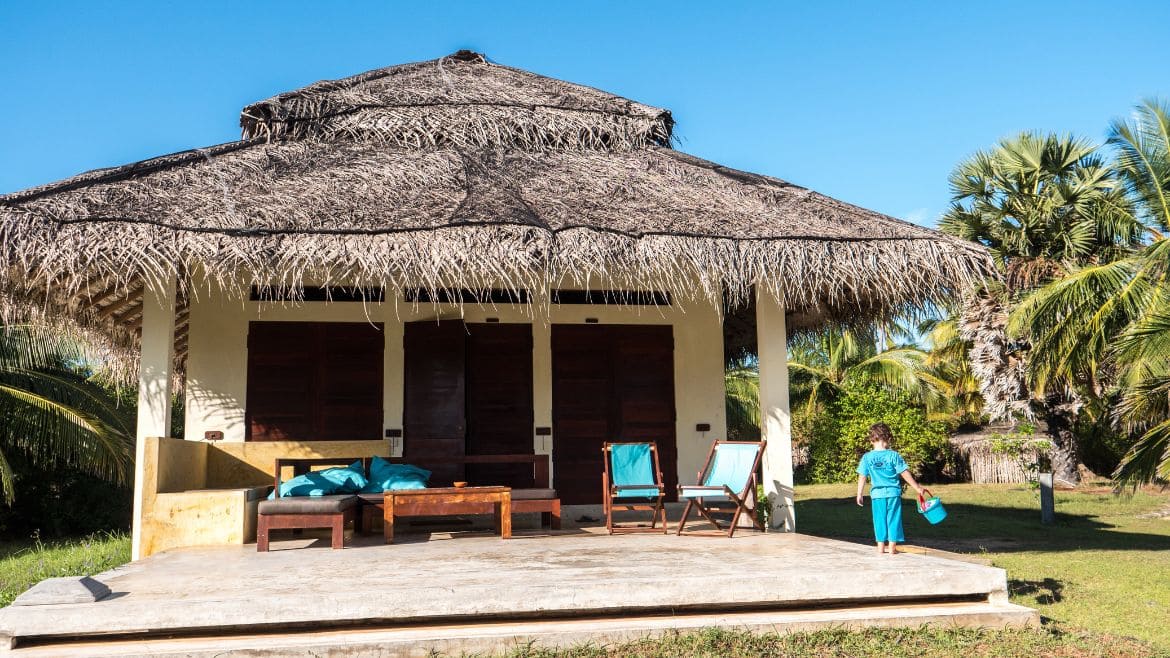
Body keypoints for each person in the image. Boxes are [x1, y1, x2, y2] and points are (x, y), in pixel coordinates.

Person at [855, 422, 925, 555]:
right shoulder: (894, 455)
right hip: (893, 493)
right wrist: (917, 488)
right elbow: (904, 472)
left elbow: (862, 476)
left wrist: (859, 494)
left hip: (877, 495)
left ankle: (880, 547)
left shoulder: (867, 457)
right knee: (894, 519)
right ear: (888, 438)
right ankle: (892, 547)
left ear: (871, 440)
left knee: (879, 520)